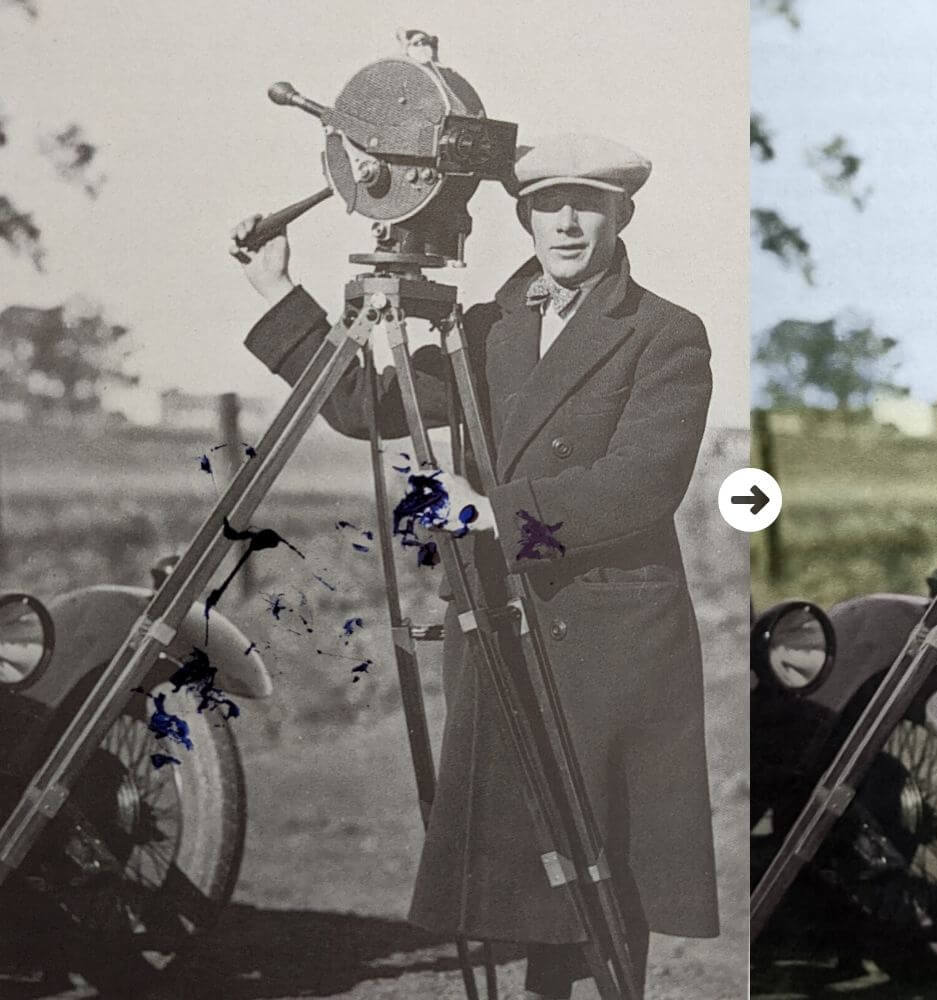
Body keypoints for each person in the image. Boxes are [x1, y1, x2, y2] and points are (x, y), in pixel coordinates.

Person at [232, 133, 720, 999]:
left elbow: (643, 485)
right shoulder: (488, 330)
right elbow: (362, 403)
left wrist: (496, 514)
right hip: (504, 622)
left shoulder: (666, 333)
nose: (567, 223)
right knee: (525, 856)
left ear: (621, 217)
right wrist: (279, 291)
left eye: (589, 206)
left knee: (610, 861)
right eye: (547, 206)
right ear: (524, 217)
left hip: (612, 633)